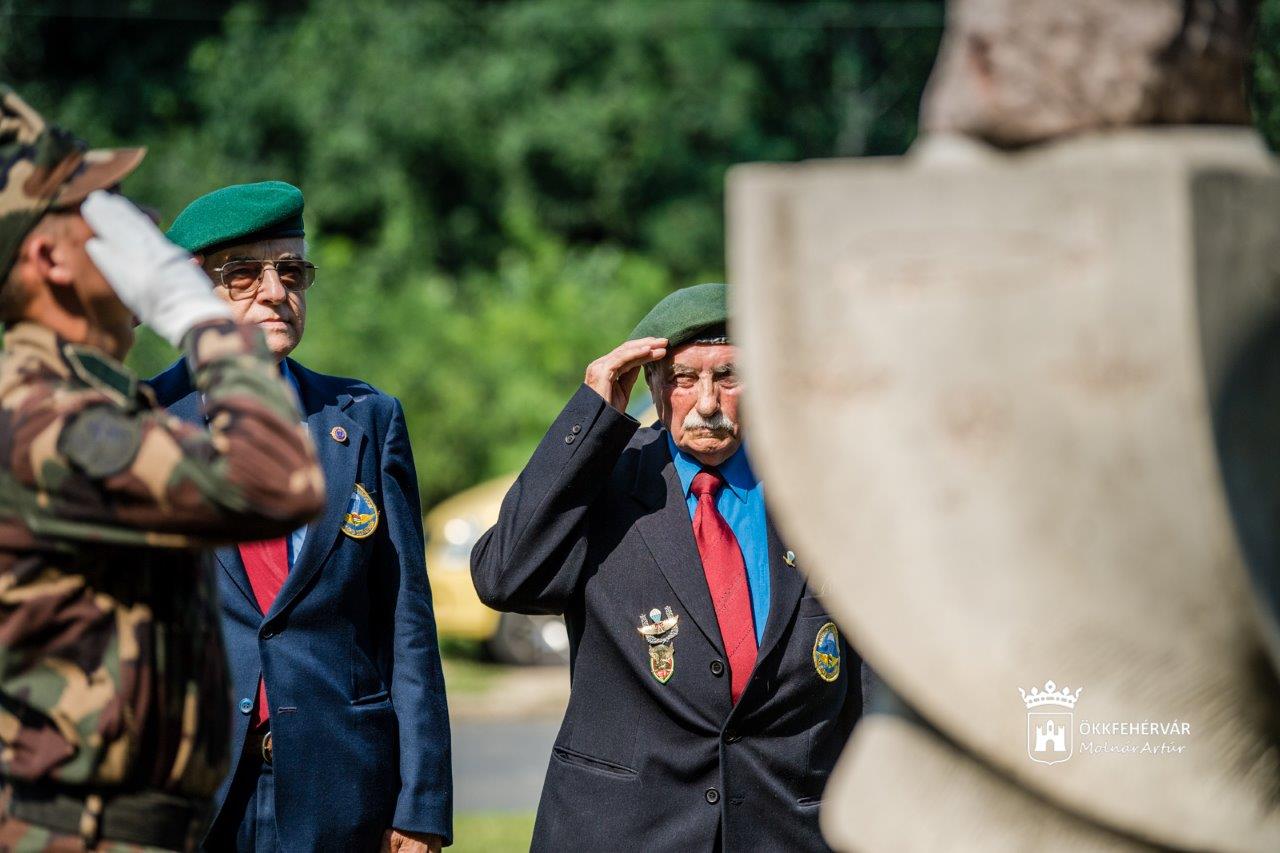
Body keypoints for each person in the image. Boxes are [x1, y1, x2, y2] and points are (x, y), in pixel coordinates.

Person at [0, 89, 325, 850]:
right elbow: (276, 480)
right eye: (105, 219)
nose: (144, 229)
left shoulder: (89, 396)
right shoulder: (44, 416)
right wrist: (199, 316)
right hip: (73, 830)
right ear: (48, 258)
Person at [471, 282, 862, 851]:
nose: (707, 403)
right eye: (684, 379)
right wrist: (591, 414)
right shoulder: (602, 480)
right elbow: (503, 577)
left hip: (788, 831)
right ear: (653, 384)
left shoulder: (823, 489)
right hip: (625, 830)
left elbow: (871, 674)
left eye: (729, 377)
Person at [149, 182, 451, 852]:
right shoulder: (137, 420)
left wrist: (423, 802)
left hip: (339, 790)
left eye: (291, 271)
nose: (274, 291)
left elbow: (406, 621)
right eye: (243, 275)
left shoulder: (366, 419)